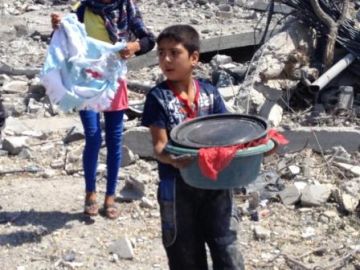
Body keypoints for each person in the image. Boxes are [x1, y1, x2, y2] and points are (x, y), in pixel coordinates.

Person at [141, 25, 245, 270]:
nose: (166, 59)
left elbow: (228, 132)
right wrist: (175, 160)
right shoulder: (157, 98)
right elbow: (159, 147)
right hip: (177, 188)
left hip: (216, 185)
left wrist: (258, 145)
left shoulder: (210, 93)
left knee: (226, 247)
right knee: (184, 253)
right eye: (161, 53)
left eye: (174, 53)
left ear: (194, 58)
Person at [51, 0, 155, 219]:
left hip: (114, 81)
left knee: (115, 139)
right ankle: (90, 192)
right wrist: (59, 26)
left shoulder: (126, 8)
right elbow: (68, 32)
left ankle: (110, 196)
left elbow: (149, 40)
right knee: (92, 135)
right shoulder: (83, 8)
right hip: (86, 81)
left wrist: (133, 47)